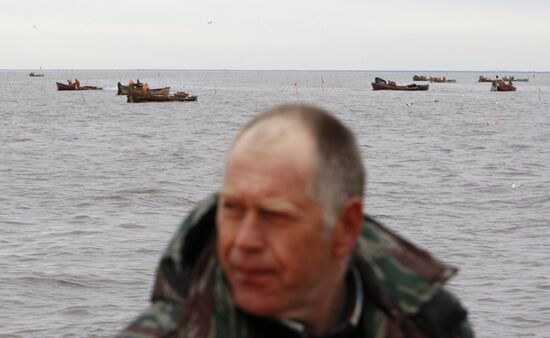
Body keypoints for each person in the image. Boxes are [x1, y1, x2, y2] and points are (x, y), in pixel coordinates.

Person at [117, 104, 474, 338]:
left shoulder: (431, 325)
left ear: (345, 228)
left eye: (275, 216)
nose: (243, 242)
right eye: (232, 209)